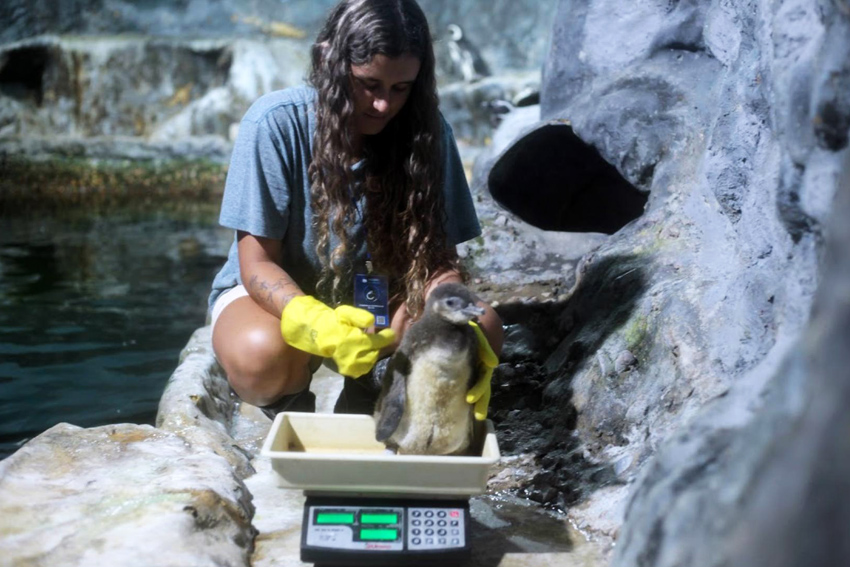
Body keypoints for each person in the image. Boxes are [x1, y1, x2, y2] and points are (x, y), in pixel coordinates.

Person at [207, 0, 503, 419]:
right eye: (368, 84)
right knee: (262, 355)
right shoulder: (274, 123)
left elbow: (439, 261)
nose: (383, 105)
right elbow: (256, 264)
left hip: (389, 308)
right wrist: (313, 323)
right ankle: (291, 408)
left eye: (400, 88)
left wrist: (442, 313)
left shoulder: (429, 133)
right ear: (329, 60)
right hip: (282, 303)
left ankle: (372, 393)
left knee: (482, 328)